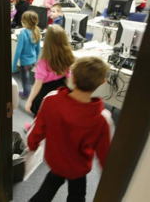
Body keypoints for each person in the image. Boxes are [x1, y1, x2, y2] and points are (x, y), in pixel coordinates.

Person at [27, 57, 114, 202]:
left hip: (56, 161)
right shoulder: (102, 119)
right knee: (77, 196)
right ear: (101, 82)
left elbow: (37, 129)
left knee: (48, 188)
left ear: (72, 77)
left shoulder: (51, 101)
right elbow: (105, 155)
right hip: (78, 169)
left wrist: (32, 145)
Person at [25, 25, 74, 118]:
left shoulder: (43, 63)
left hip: (45, 93)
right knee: (55, 114)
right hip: (60, 90)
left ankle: (35, 128)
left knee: (41, 115)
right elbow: (68, 79)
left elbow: (37, 85)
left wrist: (29, 100)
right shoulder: (67, 57)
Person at [12, 11, 41, 99]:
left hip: (25, 63)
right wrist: (36, 60)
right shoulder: (37, 31)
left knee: (25, 80)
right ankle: (27, 92)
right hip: (32, 61)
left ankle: (27, 94)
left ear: (25, 22)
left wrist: (13, 67)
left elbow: (18, 52)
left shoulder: (23, 34)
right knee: (27, 78)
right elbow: (38, 49)